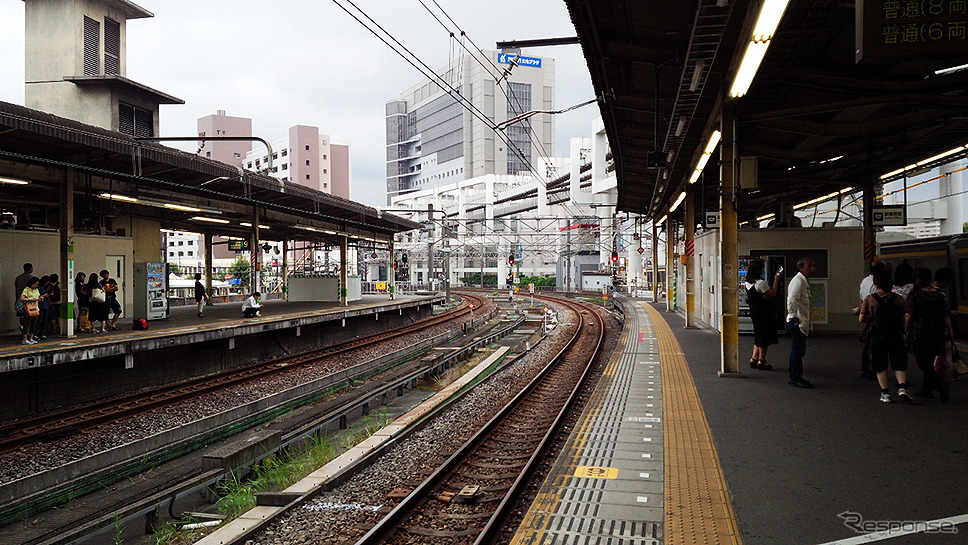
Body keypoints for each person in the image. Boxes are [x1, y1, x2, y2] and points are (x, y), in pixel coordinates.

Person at [859, 270, 913, 403]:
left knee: (880, 364)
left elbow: (862, 318)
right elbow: (906, 315)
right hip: (896, 335)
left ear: (876, 283)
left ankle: (886, 393)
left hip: (879, 335)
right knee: (899, 363)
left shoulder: (870, 299)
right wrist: (904, 330)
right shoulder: (899, 299)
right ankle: (902, 388)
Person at [905, 267, 953, 402]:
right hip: (936, 332)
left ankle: (940, 385)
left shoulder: (915, 295)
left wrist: (904, 330)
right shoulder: (939, 295)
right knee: (929, 360)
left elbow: (909, 315)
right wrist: (951, 332)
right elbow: (946, 316)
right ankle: (927, 389)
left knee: (922, 362)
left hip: (920, 332)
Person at [744, 259, 783, 370]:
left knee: (758, 334)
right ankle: (762, 360)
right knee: (764, 336)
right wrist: (776, 279)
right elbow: (773, 293)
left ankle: (754, 358)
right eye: (762, 268)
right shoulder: (761, 283)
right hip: (764, 313)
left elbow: (759, 296)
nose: (763, 270)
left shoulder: (748, 283)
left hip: (755, 313)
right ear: (758, 270)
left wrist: (764, 296)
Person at [786, 257, 816, 388]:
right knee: (797, 351)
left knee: (800, 350)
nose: (812, 269)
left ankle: (796, 376)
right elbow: (791, 299)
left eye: (812, 266)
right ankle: (795, 377)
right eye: (809, 266)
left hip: (802, 321)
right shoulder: (798, 281)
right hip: (797, 321)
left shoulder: (803, 281)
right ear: (801, 268)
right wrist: (793, 315)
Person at [858, 259, 886, 380]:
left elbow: (861, 298)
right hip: (874, 317)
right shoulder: (877, 283)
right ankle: (872, 369)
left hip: (866, 316)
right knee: (874, 344)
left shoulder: (864, 281)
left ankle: (865, 368)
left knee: (867, 344)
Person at [19, 276, 42, 345]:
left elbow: (39, 296)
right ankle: (25, 339)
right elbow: (22, 298)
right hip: (28, 309)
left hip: (35, 308)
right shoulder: (26, 289)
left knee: (34, 324)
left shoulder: (36, 290)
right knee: (26, 324)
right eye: (35, 284)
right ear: (31, 283)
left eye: (37, 284)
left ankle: (31, 338)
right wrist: (30, 299)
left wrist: (40, 298)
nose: (36, 286)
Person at [35, 275, 51, 340]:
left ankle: (42, 333)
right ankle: (35, 333)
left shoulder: (46, 288)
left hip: (46, 306)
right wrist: (43, 295)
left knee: (44, 321)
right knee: (39, 320)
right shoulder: (38, 288)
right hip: (40, 306)